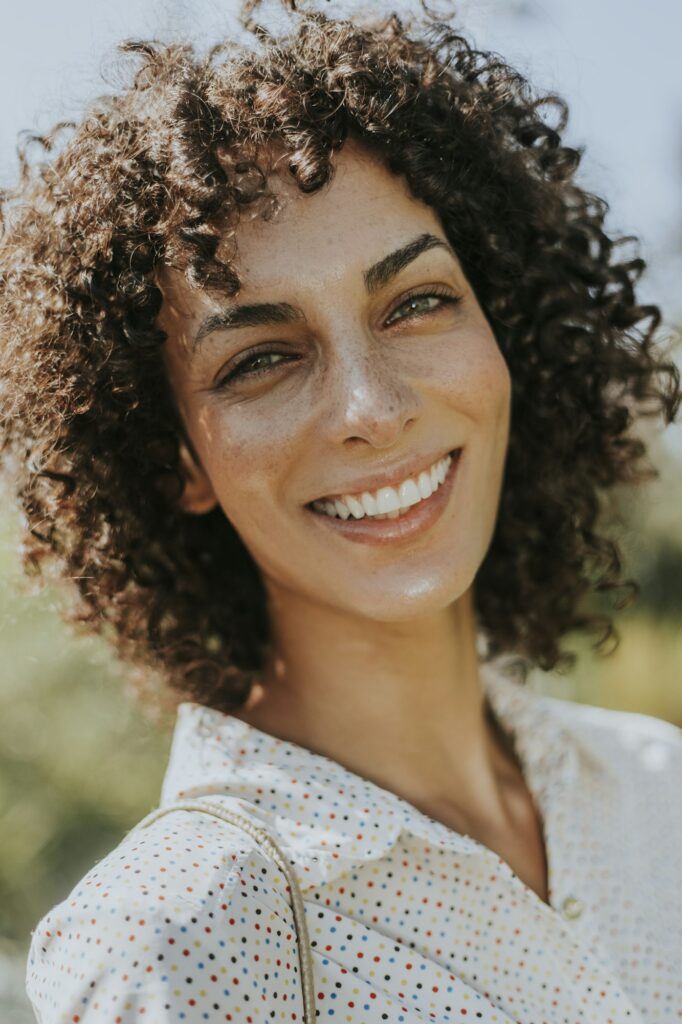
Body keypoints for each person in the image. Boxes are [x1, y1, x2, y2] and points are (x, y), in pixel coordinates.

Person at [1, 1, 679, 1020]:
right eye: (261, 358)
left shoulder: (656, 790)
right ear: (178, 459)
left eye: (415, 303)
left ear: (506, 334)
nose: (372, 410)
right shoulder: (175, 943)